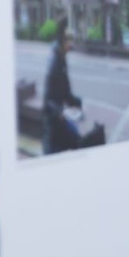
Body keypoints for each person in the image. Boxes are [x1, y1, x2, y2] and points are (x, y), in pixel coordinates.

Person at [42, 16, 82, 154]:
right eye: (69, 41)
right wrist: (59, 112)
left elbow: (65, 92)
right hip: (53, 126)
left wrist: (76, 102)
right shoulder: (55, 64)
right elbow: (48, 99)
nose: (71, 45)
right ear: (62, 41)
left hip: (60, 119)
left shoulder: (62, 60)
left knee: (77, 138)